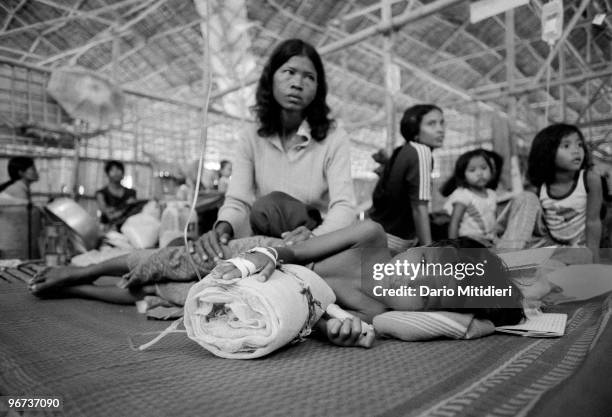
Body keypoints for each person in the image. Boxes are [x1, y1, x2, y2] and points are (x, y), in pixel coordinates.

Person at [29, 221, 524, 348]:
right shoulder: (372, 238)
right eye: (422, 261)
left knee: (163, 295)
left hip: (267, 289)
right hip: (261, 254)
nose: (410, 274)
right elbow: (298, 252)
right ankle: (83, 269)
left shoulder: (377, 314)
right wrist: (263, 255)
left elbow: (321, 319)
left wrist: (340, 332)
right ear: (416, 249)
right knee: (167, 262)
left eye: (427, 285)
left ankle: (74, 288)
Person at [197, 38, 356, 262]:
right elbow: (238, 200)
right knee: (189, 253)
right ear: (270, 78)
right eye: (289, 72)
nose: (297, 84)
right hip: (264, 239)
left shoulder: (333, 138)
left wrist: (315, 236)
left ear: (318, 89)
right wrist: (223, 229)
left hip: (311, 244)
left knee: (270, 204)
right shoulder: (251, 136)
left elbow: (344, 207)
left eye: (309, 77)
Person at [497, 124, 603, 261]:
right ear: (547, 152)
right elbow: (530, 222)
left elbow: (593, 221)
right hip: (547, 245)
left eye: (580, 145)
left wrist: (595, 258)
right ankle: (505, 257)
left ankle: (518, 263)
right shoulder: (539, 188)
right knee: (526, 197)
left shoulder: (590, 179)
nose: (577, 151)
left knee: (581, 256)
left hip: (575, 249)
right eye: (566, 146)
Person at [369, 104, 445, 251]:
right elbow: (419, 207)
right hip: (395, 244)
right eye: (431, 124)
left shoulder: (402, 150)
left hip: (379, 236)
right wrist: (428, 252)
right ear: (414, 129)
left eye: (442, 123)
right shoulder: (422, 152)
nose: (440, 129)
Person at [441, 149, 500, 246]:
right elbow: (454, 223)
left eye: (484, 168)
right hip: (469, 242)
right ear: (463, 175)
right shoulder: (463, 195)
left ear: (491, 170)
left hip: (490, 240)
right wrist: (454, 247)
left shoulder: (492, 194)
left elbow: (494, 220)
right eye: (472, 170)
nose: (480, 173)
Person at [96, 160, 137, 229]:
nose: (116, 173)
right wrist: (126, 206)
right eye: (112, 170)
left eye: (118, 169)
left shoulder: (131, 192)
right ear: (107, 174)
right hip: (107, 228)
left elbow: (134, 212)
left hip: (127, 228)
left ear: (123, 173)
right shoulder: (101, 193)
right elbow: (107, 213)